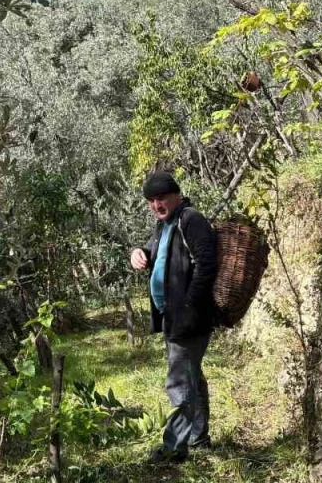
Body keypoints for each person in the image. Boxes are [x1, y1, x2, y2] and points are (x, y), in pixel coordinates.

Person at [129, 171, 217, 464]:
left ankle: (174, 447)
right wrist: (138, 253)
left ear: (176, 195)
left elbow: (207, 266)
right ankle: (199, 436)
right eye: (151, 200)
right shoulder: (165, 226)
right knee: (191, 376)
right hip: (173, 316)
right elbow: (153, 252)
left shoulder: (191, 220)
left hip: (189, 316)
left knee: (178, 381)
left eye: (162, 198)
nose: (157, 204)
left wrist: (190, 306)